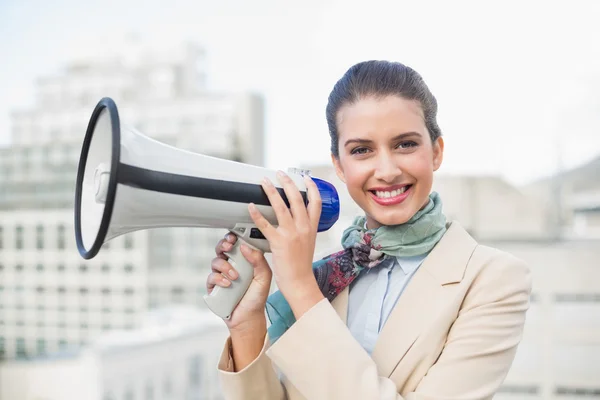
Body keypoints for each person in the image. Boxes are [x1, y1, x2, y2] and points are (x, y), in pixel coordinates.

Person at [206, 60, 532, 400]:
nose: (387, 170)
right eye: (362, 150)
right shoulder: (331, 275)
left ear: (436, 152)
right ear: (340, 167)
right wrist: (247, 325)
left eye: (405, 144)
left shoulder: (494, 279)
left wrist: (300, 287)